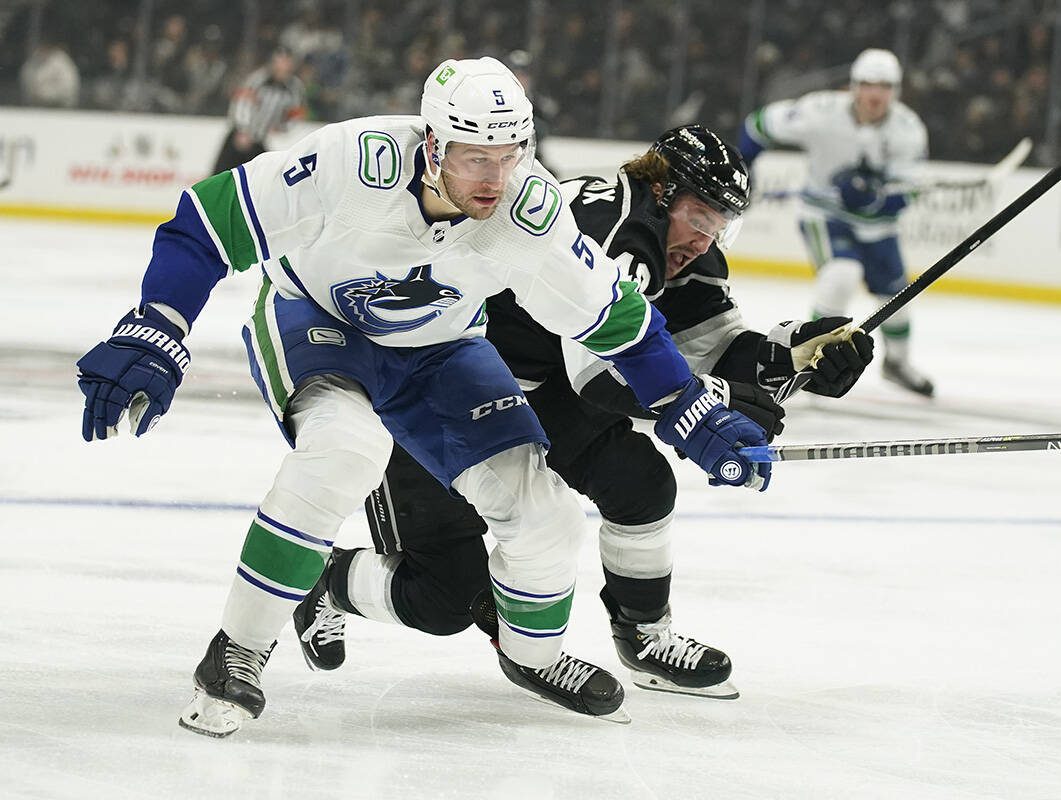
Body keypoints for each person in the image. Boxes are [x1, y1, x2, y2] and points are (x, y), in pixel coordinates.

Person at [75, 57, 772, 737]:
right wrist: (156, 327)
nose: (497, 179)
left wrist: (692, 410)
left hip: (441, 349)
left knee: (548, 514)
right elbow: (207, 222)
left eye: (511, 155)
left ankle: (532, 657)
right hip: (316, 320)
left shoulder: (531, 210)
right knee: (345, 452)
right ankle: (236, 649)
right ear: (432, 143)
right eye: (476, 158)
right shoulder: (352, 159)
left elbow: (619, 321)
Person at [291, 125, 873, 704]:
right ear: (663, 189)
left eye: (722, 225)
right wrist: (710, 403)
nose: (705, 240)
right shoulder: (617, 231)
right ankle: (329, 582)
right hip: (430, 386)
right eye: (700, 217)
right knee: (443, 596)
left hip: (530, 390)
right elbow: (600, 376)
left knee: (640, 484)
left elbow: (708, 345)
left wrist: (791, 353)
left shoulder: (665, 240)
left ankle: (643, 636)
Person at [739, 47, 935, 397]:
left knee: (896, 295)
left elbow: (911, 190)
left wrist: (877, 197)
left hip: (877, 227)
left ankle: (897, 364)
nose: (875, 94)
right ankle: (814, 361)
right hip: (824, 217)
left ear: (896, 91)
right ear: (854, 86)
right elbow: (759, 125)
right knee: (840, 276)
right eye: (868, 84)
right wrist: (746, 167)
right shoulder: (820, 112)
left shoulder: (908, 129)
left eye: (885, 86)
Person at [210, 45, 306, 175]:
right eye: (280, 62)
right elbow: (242, 103)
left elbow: (296, 115)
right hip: (241, 136)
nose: (283, 67)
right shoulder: (259, 79)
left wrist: (282, 128)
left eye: (287, 63)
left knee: (259, 177)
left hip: (260, 139)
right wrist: (243, 130)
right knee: (223, 173)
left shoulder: (294, 87)